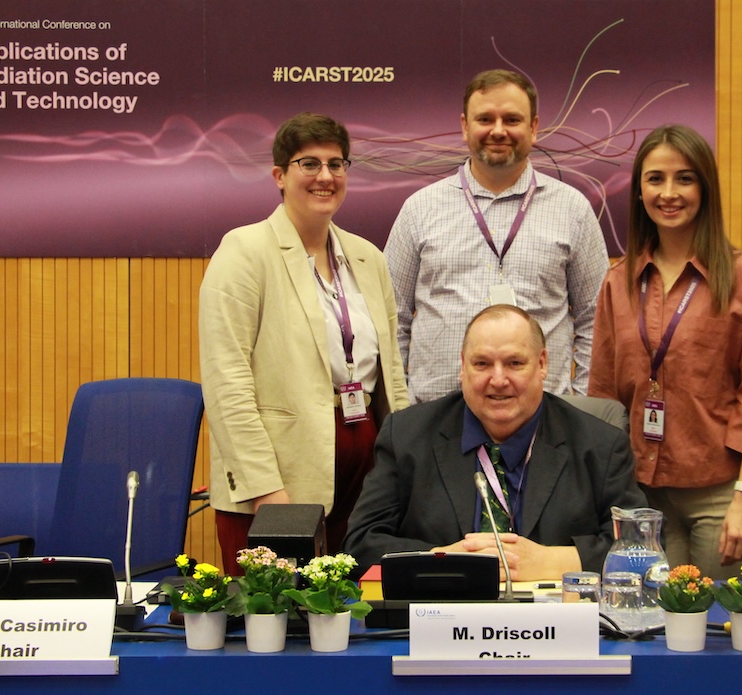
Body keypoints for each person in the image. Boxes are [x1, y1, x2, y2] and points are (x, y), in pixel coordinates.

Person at [199, 112, 410, 576]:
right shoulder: (243, 252)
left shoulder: (367, 258)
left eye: (336, 164)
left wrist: (403, 465)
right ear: (279, 175)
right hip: (280, 475)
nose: (325, 177)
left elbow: (391, 372)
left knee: (353, 621)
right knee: (276, 625)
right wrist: (264, 489)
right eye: (308, 164)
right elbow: (225, 382)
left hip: (364, 465)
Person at [588, 124, 742, 577]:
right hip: (643, 500)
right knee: (649, 630)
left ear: (705, 188)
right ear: (639, 191)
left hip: (722, 494)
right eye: (655, 178)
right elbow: (604, 396)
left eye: (685, 178)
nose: (669, 192)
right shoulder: (618, 282)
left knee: (711, 632)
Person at [343, 305, 645, 580]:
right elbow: (359, 546)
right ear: (463, 366)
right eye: (482, 363)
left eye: (514, 363)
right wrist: (442, 559)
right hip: (439, 623)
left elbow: (642, 549)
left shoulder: (601, 445)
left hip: (553, 627)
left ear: (542, 364)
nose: (498, 379)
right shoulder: (407, 436)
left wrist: (557, 560)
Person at [384, 69, 609, 403]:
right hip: (434, 421)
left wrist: (577, 409)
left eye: (512, 119)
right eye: (485, 118)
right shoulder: (419, 209)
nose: (498, 131)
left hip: (544, 423)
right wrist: (401, 410)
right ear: (465, 126)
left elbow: (598, 324)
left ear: (534, 127)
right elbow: (391, 321)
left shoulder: (572, 210)